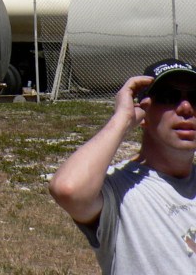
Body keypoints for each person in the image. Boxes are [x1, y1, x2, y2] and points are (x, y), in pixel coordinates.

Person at [49, 58, 196, 273]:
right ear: (143, 112)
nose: (185, 107)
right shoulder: (120, 190)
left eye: (195, 97)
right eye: (168, 97)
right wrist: (123, 118)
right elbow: (68, 189)